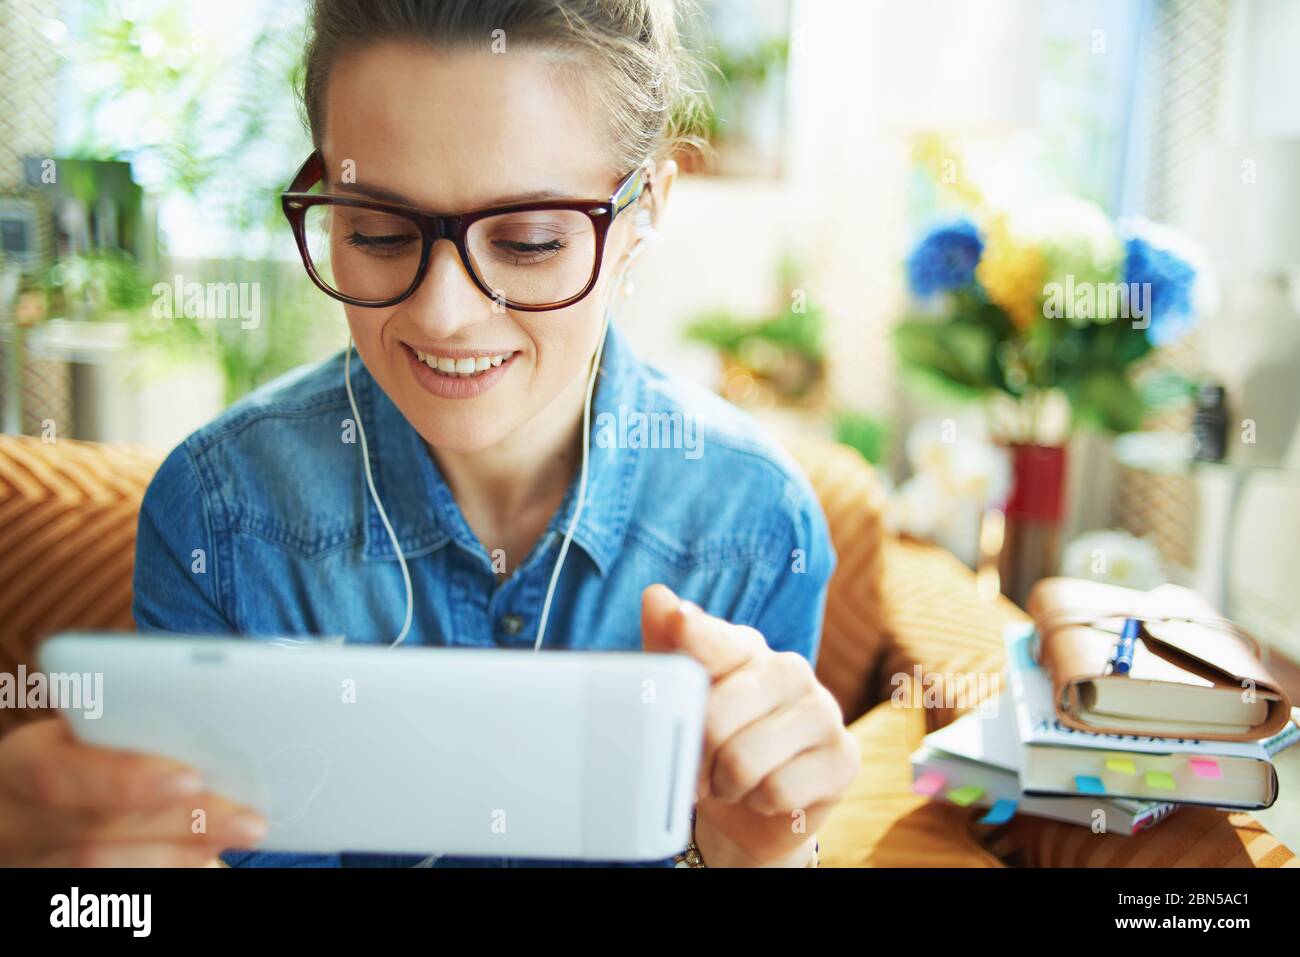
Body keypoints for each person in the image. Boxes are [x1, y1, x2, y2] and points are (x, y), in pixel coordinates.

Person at [0, 0, 859, 868]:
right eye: (375, 229)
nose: (443, 315)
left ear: (643, 215)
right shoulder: (218, 516)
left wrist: (761, 855)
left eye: (526, 241)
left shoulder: (758, 526)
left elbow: (755, 836)